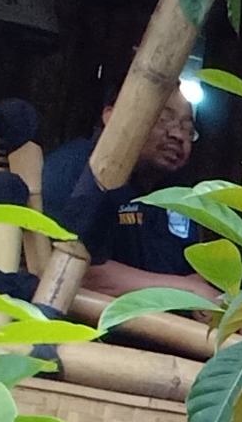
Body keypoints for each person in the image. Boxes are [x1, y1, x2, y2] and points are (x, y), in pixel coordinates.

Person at [39, 98, 215, 299]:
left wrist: (200, 290)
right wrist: (185, 289)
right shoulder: (78, 169)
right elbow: (81, 270)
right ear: (113, 116)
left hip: (161, 323)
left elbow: (191, 271)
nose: (177, 135)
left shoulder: (178, 189)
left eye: (188, 129)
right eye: (162, 119)